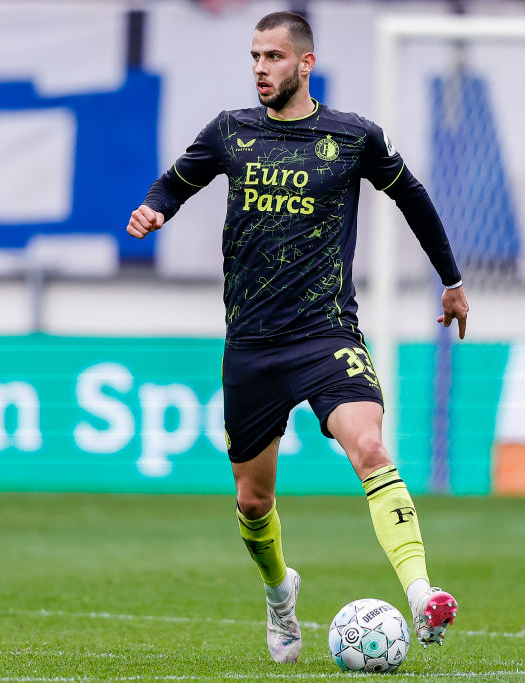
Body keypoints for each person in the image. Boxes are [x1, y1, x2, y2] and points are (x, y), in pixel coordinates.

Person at [127, 11, 469, 663]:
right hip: (252, 344)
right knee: (254, 500)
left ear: (305, 64)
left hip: (325, 332)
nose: (261, 67)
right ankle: (280, 590)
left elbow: (414, 198)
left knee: (368, 444)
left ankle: (422, 592)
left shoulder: (351, 138)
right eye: (255, 56)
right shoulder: (231, 131)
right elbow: (176, 181)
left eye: (275, 57)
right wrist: (155, 208)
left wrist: (450, 280)